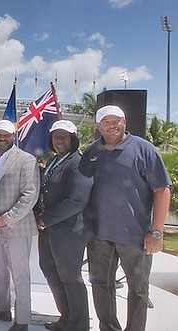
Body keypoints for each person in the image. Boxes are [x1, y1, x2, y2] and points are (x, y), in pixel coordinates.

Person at [80, 105, 172, 331]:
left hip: (136, 238)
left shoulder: (145, 150)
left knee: (138, 290)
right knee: (101, 285)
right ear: (98, 127)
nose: (112, 125)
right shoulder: (92, 152)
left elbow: (162, 189)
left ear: (125, 122)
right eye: (106, 122)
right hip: (99, 237)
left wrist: (157, 232)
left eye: (116, 121)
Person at [0, 119, 39, 331]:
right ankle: (1, 309)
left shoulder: (26, 160)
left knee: (20, 275)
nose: (2, 138)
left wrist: (7, 218)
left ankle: (22, 320)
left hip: (16, 227)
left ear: (14, 136)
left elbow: (30, 195)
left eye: (6, 134)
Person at [34, 120, 93, 331]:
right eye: (56, 136)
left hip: (69, 231)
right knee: (50, 270)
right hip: (50, 230)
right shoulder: (54, 160)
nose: (60, 140)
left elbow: (78, 200)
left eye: (65, 136)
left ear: (73, 139)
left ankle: (78, 324)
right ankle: (66, 317)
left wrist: (45, 218)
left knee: (70, 276)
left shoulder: (78, 162)